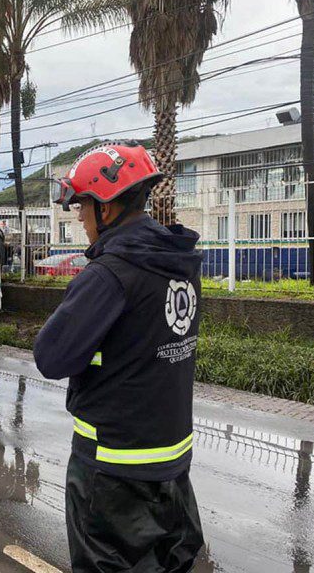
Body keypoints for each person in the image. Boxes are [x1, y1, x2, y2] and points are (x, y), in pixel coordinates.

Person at [34, 142, 204, 572]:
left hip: (112, 476)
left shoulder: (111, 273)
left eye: (83, 207)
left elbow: (51, 357)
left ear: (107, 209)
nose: (80, 219)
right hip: (172, 472)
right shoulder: (178, 264)